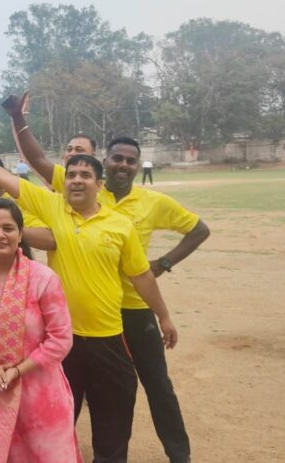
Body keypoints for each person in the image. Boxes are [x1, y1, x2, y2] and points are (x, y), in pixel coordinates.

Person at [0, 143, 178, 463]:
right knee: (56, 417)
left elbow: (141, 276)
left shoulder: (120, 225)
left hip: (107, 336)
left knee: (112, 418)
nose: (77, 180)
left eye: (85, 175)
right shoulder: (54, 208)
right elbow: (6, 179)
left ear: (99, 184)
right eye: (71, 175)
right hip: (61, 347)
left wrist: (163, 316)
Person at [103, 137, 210, 463]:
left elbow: (199, 229)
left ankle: (180, 456)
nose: (123, 165)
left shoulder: (152, 202)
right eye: (117, 158)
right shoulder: (88, 196)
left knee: (158, 386)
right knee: (110, 390)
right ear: (105, 161)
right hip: (98, 311)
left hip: (137, 308)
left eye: (130, 160)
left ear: (138, 166)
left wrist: (163, 263)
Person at [0, 199, 82, 463]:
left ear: (20, 235)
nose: (0, 234)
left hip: (40, 395)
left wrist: (16, 371)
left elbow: (60, 339)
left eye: (8, 228)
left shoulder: (43, 279)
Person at [2, 92, 96, 192]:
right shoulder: (62, 178)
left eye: (79, 150)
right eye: (69, 149)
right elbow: (35, 159)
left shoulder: (104, 191)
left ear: (93, 156)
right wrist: (17, 119)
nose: (72, 153)